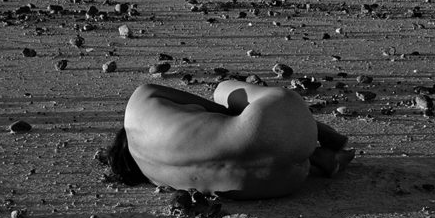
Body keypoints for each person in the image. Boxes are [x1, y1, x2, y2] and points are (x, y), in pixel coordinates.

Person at [104, 80, 354, 199]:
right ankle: (322, 133)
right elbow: (219, 110)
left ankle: (319, 158)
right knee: (222, 91)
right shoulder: (140, 100)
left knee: (238, 154)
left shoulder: (156, 177)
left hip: (285, 181)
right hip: (280, 120)